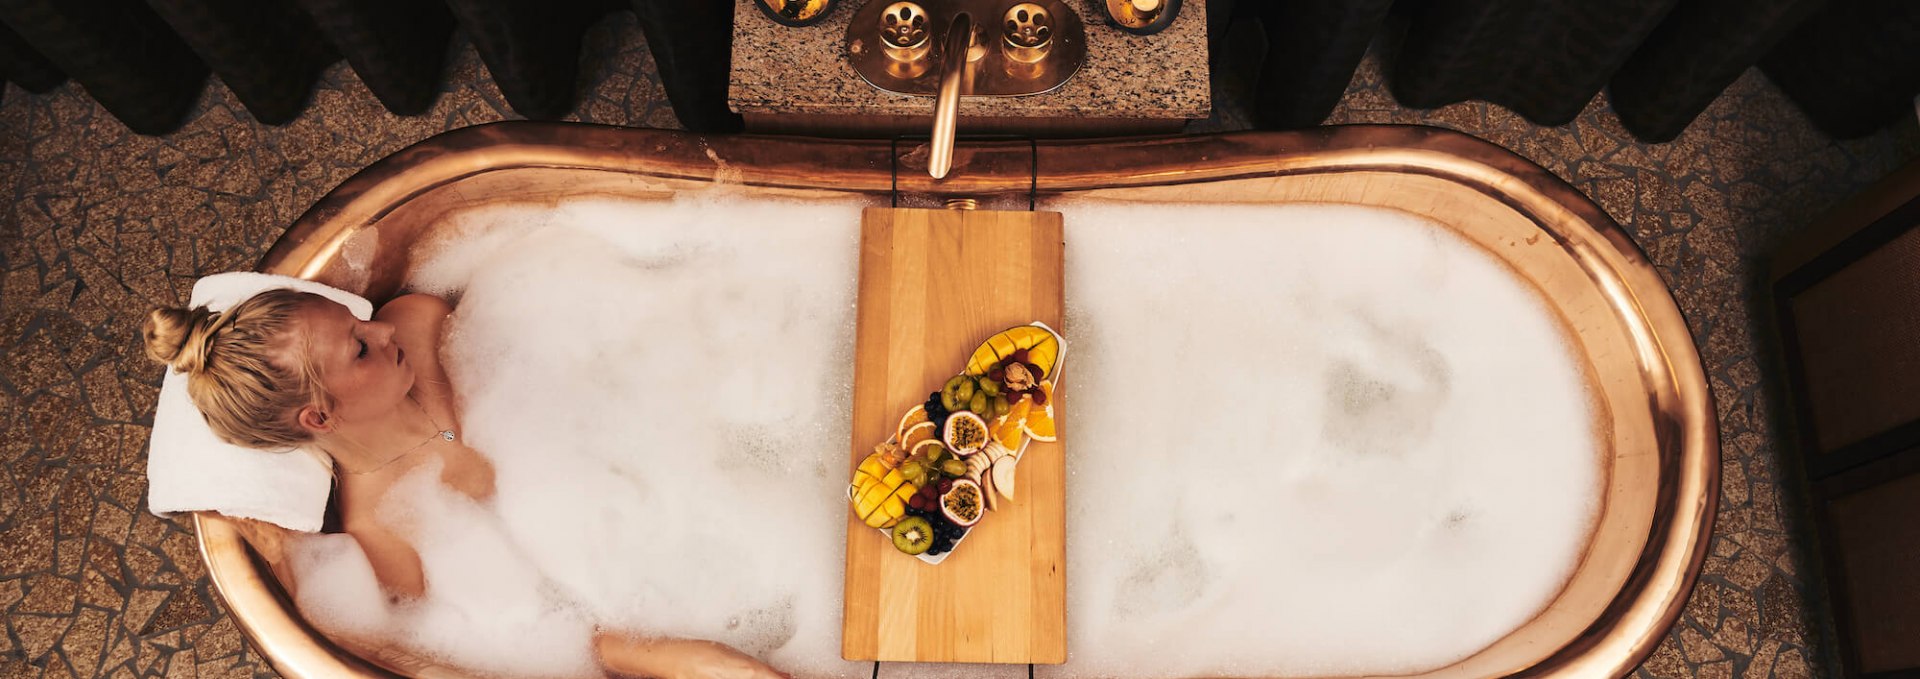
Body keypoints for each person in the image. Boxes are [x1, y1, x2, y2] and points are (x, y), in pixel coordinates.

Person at [144, 289, 788, 679]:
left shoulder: (420, 327)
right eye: (359, 348)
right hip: (671, 577)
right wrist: (684, 658)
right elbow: (555, 630)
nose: (382, 328)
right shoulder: (389, 532)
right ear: (320, 417)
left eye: (355, 319)